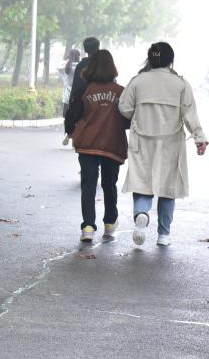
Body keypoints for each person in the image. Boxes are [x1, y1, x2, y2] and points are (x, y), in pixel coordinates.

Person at [119, 42, 208, 247]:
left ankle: (142, 214)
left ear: (150, 58)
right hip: (171, 143)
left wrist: (139, 114)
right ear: (170, 60)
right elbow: (190, 114)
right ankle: (163, 234)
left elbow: (124, 107)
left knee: (142, 183)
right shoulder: (180, 84)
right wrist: (199, 137)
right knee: (168, 188)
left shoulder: (137, 81)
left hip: (142, 141)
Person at [68, 50, 128, 242]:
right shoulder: (121, 92)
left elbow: (72, 115)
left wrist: (71, 131)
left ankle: (87, 227)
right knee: (109, 184)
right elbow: (128, 120)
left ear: (91, 67)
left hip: (87, 144)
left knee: (88, 185)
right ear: (112, 67)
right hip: (112, 143)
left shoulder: (84, 90)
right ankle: (109, 223)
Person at [64, 37, 100, 137]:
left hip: (84, 106)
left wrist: (72, 105)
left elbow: (76, 88)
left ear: (85, 50)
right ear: (98, 48)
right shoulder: (103, 64)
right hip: (101, 105)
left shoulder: (81, 65)